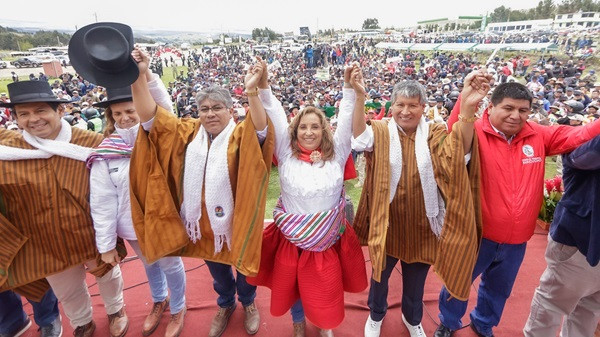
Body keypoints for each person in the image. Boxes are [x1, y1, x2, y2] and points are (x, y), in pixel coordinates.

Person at [435, 81, 600, 337]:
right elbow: (452, 143)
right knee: (458, 281)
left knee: (499, 289)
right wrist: (464, 103)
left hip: (518, 238)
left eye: (523, 110)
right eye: (508, 108)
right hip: (477, 234)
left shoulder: (538, 134)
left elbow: (578, 135)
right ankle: (449, 321)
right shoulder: (474, 132)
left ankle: (483, 323)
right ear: (490, 107)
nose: (516, 116)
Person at [128, 52, 274, 337]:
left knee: (245, 269)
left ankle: (248, 302)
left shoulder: (241, 133)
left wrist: (252, 91)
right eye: (204, 108)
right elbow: (149, 119)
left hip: (237, 222)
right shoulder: (186, 133)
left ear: (231, 111)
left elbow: (261, 127)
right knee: (218, 273)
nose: (210, 113)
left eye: (217, 107)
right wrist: (139, 76)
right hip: (203, 224)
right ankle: (226, 303)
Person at [353, 68, 484, 337]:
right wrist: (357, 96)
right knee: (379, 275)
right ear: (391, 107)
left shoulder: (434, 133)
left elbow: (458, 155)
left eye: (412, 105)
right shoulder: (379, 130)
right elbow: (359, 137)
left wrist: (467, 110)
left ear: (423, 107)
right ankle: (376, 315)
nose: (406, 111)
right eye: (400, 104)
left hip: (423, 223)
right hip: (386, 222)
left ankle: (412, 318)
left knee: (416, 282)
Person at [246, 63, 368, 337]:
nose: (309, 132)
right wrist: (262, 85)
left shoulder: (336, 153)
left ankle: (323, 324)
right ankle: (298, 322)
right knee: (294, 287)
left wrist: (350, 87)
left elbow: (347, 118)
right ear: (295, 130)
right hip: (291, 241)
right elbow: (275, 113)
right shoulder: (286, 154)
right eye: (303, 127)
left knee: (325, 288)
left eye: (315, 126)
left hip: (328, 242)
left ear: (324, 130)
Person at [0, 80, 127, 337]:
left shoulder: (92, 142)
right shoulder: (8, 150)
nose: (33, 119)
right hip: (45, 240)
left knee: (108, 276)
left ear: (60, 111)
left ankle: (116, 311)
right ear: (15, 118)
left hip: (91, 232)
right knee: (66, 290)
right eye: (23, 114)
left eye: (40, 111)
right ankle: (82, 322)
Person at [86, 64, 187, 337]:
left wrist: (147, 75)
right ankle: (159, 299)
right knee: (149, 263)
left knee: (170, 264)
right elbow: (102, 201)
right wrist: (106, 245)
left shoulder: (157, 137)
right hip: (130, 225)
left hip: (163, 220)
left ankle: (178, 307)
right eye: (117, 113)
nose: (125, 118)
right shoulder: (106, 151)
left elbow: (166, 112)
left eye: (131, 111)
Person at [523, 135, 600, 337]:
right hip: (579, 245)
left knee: (589, 311)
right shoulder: (583, 142)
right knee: (551, 305)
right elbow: (588, 154)